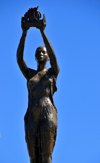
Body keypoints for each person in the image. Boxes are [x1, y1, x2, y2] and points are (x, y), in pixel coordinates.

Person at [17, 11, 60, 163]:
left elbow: (54, 58)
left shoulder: (52, 72)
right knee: (33, 158)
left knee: (46, 156)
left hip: (48, 111)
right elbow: (19, 58)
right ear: (35, 56)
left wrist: (43, 32)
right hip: (31, 114)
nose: (40, 54)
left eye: (43, 52)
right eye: (38, 52)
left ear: (47, 56)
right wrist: (24, 33)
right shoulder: (30, 74)